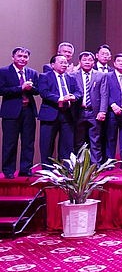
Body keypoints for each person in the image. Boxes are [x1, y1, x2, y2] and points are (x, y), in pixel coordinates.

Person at [0, 47, 39, 179]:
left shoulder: (32, 73)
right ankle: (8, 170)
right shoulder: (4, 71)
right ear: (13, 57)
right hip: (11, 112)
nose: (22, 59)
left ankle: (26, 169)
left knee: (28, 141)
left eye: (25, 57)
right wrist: (20, 88)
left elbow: (38, 90)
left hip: (28, 110)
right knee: (10, 142)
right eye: (20, 56)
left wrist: (31, 88)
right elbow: (1, 90)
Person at [38, 54, 81, 162]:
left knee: (67, 144)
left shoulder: (71, 77)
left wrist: (74, 96)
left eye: (66, 63)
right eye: (61, 62)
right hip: (50, 114)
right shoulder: (45, 76)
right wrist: (60, 98)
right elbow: (44, 92)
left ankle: (66, 169)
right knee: (47, 144)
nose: (64, 65)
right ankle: (47, 170)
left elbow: (78, 92)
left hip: (67, 114)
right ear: (52, 65)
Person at [71, 51, 107, 163]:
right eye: (84, 60)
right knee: (78, 140)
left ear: (94, 62)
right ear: (79, 62)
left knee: (95, 140)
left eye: (90, 60)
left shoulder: (101, 75)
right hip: (78, 111)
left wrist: (102, 111)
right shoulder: (72, 75)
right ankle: (80, 166)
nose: (87, 62)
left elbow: (104, 94)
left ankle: (95, 165)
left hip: (94, 112)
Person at [103, 53, 122, 169]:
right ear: (114, 63)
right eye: (119, 61)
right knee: (110, 138)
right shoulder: (107, 76)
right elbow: (105, 93)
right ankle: (110, 163)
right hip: (112, 111)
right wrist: (113, 105)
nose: (121, 63)